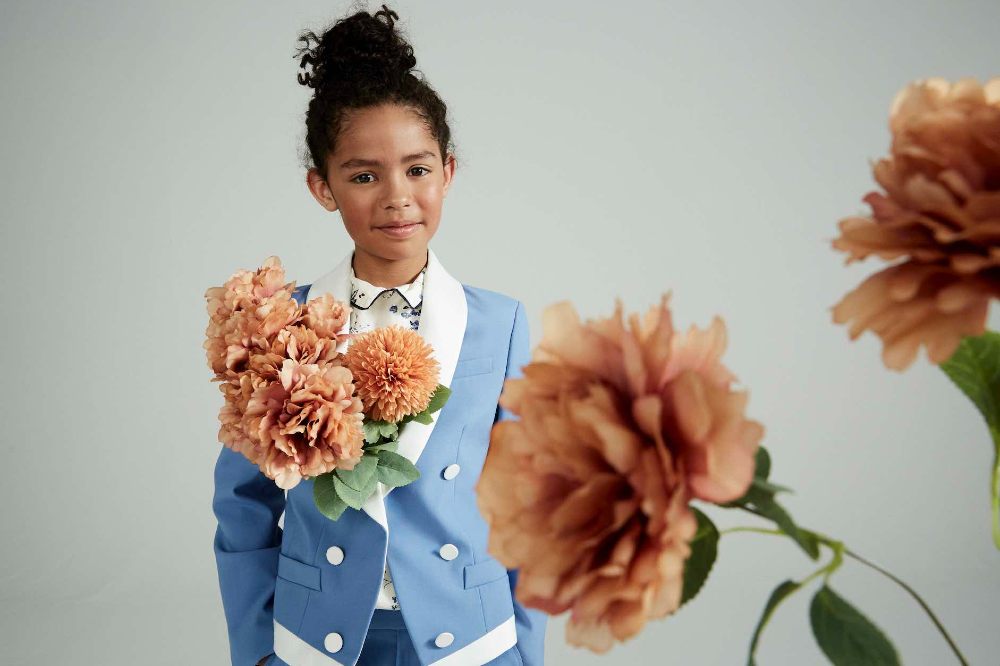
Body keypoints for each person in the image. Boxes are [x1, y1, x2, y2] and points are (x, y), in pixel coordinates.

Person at [211, 5, 547, 665]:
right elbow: (242, 504)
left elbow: (531, 508)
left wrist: (525, 654)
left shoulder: (500, 322)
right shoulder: (282, 324)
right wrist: (257, 650)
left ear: (448, 173)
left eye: (417, 170)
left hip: (471, 639)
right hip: (320, 638)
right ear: (323, 187)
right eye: (364, 175)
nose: (397, 196)